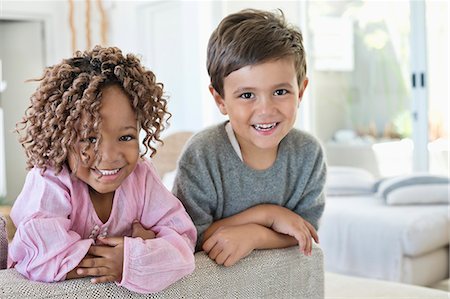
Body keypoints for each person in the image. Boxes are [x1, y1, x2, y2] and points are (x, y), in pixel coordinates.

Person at [8, 46, 196, 294]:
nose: (109, 157)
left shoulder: (141, 175)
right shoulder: (50, 179)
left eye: (126, 137)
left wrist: (127, 259)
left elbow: (183, 240)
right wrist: (137, 252)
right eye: (90, 138)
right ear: (62, 138)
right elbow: (40, 257)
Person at [173, 9, 326, 267]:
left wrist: (256, 235)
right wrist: (268, 215)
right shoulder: (203, 153)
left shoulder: (308, 154)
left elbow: (305, 231)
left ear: (300, 91)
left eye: (280, 91)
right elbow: (187, 237)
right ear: (220, 99)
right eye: (247, 95)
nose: (265, 110)